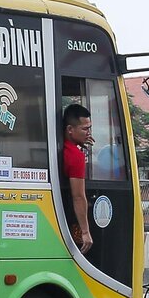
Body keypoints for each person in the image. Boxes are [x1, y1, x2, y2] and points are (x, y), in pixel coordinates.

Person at [61, 103, 94, 251]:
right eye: (85, 129)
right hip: (69, 218)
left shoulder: (63, 147)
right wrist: (85, 232)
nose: (89, 133)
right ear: (70, 129)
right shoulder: (76, 156)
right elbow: (78, 196)